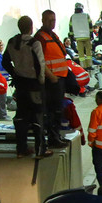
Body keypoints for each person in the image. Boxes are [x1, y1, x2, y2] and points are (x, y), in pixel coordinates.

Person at [2, 15, 47, 157]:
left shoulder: (12, 42)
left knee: (21, 117)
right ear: (31, 27)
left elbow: (5, 61)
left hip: (20, 84)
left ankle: (21, 149)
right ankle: (41, 149)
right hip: (34, 84)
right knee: (38, 116)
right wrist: (41, 81)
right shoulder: (34, 43)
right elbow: (40, 64)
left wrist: (14, 73)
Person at [34, 9, 69, 148]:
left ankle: (56, 136)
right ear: (43, 20)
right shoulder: (41, 38)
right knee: (53, 111)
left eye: (53, 20)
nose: (52, 23)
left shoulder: (52, 35)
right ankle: (53, 138)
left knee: (58, 110)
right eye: (49, 20)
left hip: (59, 78)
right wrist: (52, 77)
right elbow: (39, 61)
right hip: (51, 81)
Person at [68, 2, 93, 69]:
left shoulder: (72, 17)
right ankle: (89, 65)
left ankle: (83, 66)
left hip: (78, 37)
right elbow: (90, 25)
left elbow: (70, 27)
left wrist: (71, 36)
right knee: (88, 52)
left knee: (81, 53)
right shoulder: (86, 15)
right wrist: (91, 33)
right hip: (86, 36)